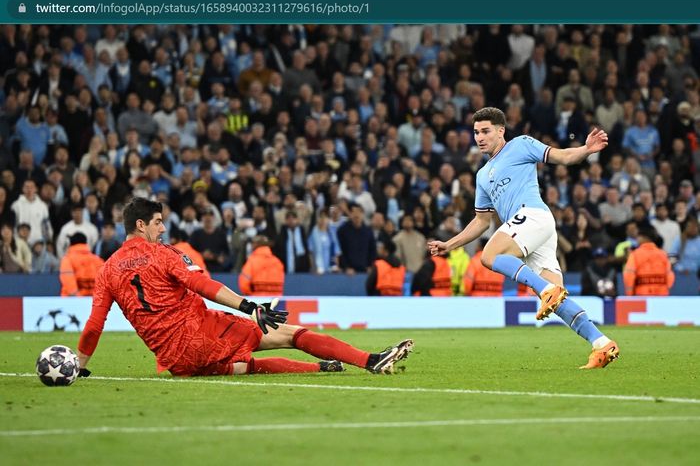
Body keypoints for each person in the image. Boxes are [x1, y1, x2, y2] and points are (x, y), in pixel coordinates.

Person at [77, 198, 413, 378]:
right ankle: (371, 360)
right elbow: (202, 284)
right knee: (289, 333)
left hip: (173, 361)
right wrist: (248, 307)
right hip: (202, 333)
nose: (163, 229)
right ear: (140, 224)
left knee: (242, 367)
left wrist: (79, 364)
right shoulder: (162, 253)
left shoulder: (106, 270)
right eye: (157, 222)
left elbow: (94, 325)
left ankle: (320, 367)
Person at [428, 107, 619, 369]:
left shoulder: (521, 145)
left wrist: (585, 150)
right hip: (530, 232)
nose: (479, 137)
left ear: (500, 131)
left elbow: (561, 156)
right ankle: (601, 343)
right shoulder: (482, 175)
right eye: (475, 132)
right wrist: (449, 244)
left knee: (490, 256)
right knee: (558, 300)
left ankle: (545, 290)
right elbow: (481, 221)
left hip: (533, 215)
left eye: (485, 131)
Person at [623, 227, 675, 296]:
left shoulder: (635, 255)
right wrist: (664, 289)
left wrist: (630, 295)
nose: (637, 239)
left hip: (641, 296)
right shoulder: (663, 254)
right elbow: (670, 276)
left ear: (644, 237)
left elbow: (629, 275)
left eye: (638, 236)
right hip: (661, 296)